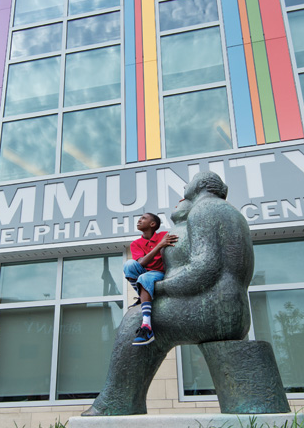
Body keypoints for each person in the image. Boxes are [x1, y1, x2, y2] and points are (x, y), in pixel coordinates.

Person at [82, 172, 254, 416]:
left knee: (134, 322)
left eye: (190, 181)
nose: (185, 186)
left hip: (213, 307)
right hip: (231, 309)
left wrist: (157, 289)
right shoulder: (229, 213)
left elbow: (205, 268)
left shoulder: (205, 210)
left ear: (203, 185)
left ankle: (117, 404)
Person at [124, 213, 178, 345]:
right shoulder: (136, 244)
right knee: (129, 265)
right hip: (145, 273)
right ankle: (143, 296)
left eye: (143, 218)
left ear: (153, 224)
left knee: (145, 277)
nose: (139, 220)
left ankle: (146, 326)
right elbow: (141, 263)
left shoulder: (164, 235)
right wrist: (160, 246)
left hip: (160, 274)